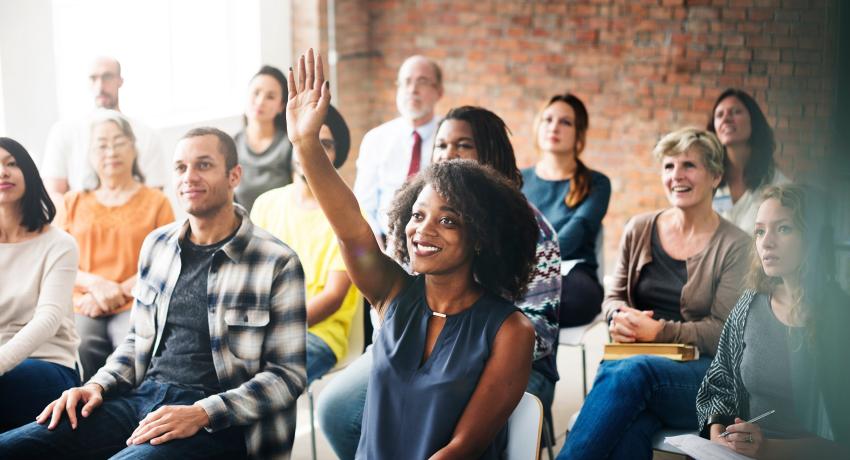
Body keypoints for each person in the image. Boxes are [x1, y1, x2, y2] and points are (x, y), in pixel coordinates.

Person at [289, 49, 537, 459]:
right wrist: (306, 144)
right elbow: (350, 227)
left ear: (480, 236)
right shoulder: (393, 294)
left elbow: (462, 447)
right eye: (418, 215)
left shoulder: (510, 330)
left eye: (448, 220)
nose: (423, 229)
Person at [0, 128, 306, 459]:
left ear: (234, 175)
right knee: (12, 449)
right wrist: (95, 386)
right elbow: (135, 343)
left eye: (203, 165)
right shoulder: (158, 246)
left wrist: (203, 412)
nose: (189, 177)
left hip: (219, 421)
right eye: (180, 168)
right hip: (142, 397)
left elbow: (286, 377)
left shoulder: (277, 262)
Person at [558, 127, 751, 460]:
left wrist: (660, 331)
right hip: (632, 367)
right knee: (631, 428)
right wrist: (617, 317)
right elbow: (613, 296)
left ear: (715, 175)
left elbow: (723, 330)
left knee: (633, 373)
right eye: (668, 166)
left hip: (702, 377)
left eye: (689, 165)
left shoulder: (736, 245)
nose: (677, 175)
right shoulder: (639, 227)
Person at [697, 184, 850, 459]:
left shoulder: (840, 318)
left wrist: (767, 449)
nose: (766, 242)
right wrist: (717, 434)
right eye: (760, 231)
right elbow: (717, 384)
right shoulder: (749, 304)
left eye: (783, 229)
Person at [57, 111, 174, 380]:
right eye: (101, 145)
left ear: (133, 148)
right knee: (81, 346)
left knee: (132, 350)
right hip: (84, 302)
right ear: (90, 154)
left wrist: (116, 292)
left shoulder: (156, 201)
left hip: (137, 300)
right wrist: (96, 288)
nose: (111, 151)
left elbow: (166, 262)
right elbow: (58, 263)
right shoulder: (72, 202)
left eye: (119, 142)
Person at [251, 104, 360, 384]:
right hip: (261, 326)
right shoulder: (266, 204)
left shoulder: (347, 217)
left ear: (337, 155)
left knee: (260, 383)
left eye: (325, 144)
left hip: (318, 334)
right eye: (308, 141)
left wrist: (275, 328)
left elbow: (333, 297)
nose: (314, 151)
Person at [0, 138, 80, 433]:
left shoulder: (59, 244)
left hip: (48, 363)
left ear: (29, 175)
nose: (3, 172)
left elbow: (47, 319)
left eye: (12, 163)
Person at [522, 93, 611, 327]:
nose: (554, 127)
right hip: (522, 272)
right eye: (548, 119)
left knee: (553, 297)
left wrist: (533, 264)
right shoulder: (517, 180)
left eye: (565, 122)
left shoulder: (597, 183)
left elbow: (577, 231)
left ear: (579, 133)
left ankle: (534, 360)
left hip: (572, 276)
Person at [41, 56, 168, 195]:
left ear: (120, 81)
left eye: (107, 77)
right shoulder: (63, 132)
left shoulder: (147, 135)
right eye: (93, 78)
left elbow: (155, 198)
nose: (100, 86)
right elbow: (54, 196)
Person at [353, 55, 444, 241]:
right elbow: (363, 205)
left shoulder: (449, 136)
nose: (413, 90)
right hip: (387, 243)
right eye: (406, 82)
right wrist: (377, 246)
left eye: (423, 82)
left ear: (439, 91)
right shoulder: (376, 139)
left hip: (436, 240)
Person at [708, 88, 789, 233]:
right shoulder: (707, 181)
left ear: (754, 121)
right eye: (719, 115)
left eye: (736, 112)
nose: (726, 119)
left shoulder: (779, 186)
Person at [233, 65, 294, 212]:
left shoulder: (290, 145)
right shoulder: (232, 145)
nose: (260, 102)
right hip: (243, 229)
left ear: (281, 106)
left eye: (270, 97)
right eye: (256, 93)